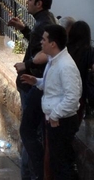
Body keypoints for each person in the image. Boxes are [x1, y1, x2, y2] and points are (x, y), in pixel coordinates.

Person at [20, 24, 82, 180]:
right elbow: (55, 88)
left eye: (44, 39)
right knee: (56, 163)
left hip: (62, 122)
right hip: (55, 120)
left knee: (63, 165)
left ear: (53, 44)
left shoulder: (65, 66)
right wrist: (37, 82)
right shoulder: (53, 61)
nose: (41, 42)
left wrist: (55, 116)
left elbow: (72, 98)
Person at [7, 0, 56, 180]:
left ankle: (30, 175)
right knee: (32, 133)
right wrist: (25, 29)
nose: (26, 2)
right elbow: (38, 46)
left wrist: (25, 66)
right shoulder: (46, 21)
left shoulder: (43, 25)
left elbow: (44, 55)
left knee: (30, 135)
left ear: (39, 3)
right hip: (34, 85)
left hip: (33, 87)